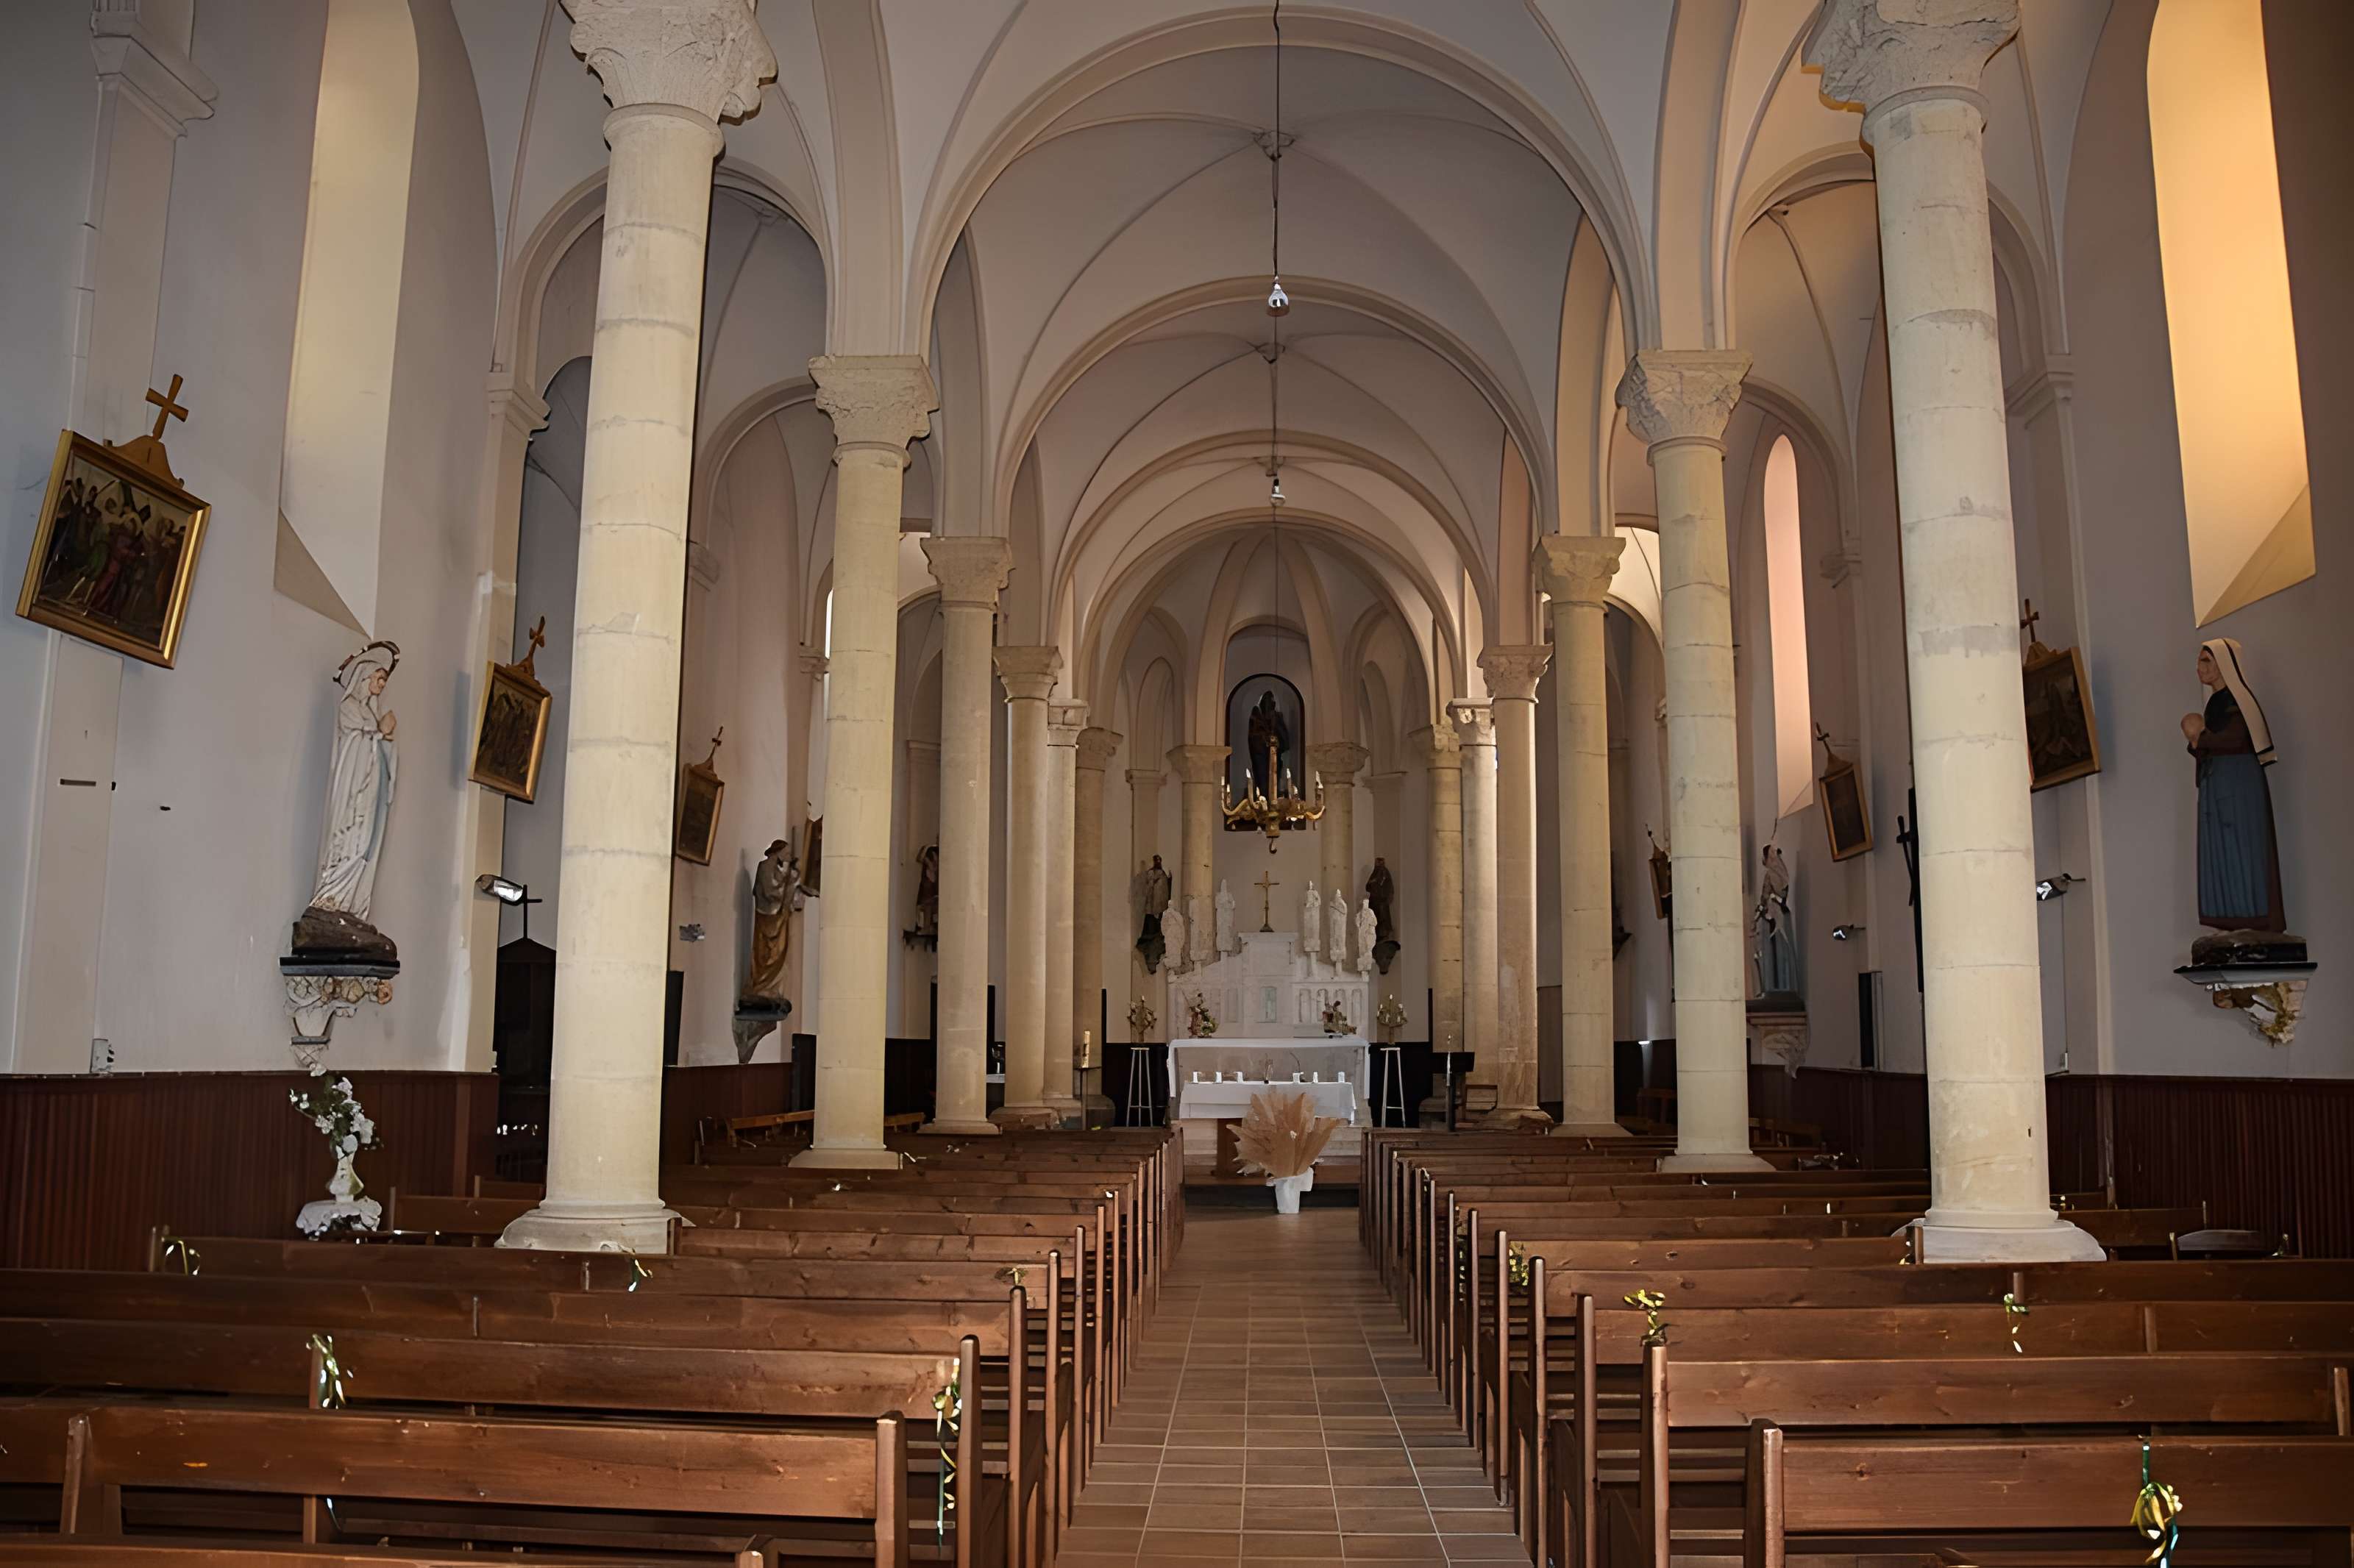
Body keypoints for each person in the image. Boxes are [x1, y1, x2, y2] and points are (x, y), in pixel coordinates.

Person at [2183, 638, 2286, 933]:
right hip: (2218, 782)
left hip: (2238, 783)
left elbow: (2237, 738)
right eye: (2199, 661)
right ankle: (2232, 916)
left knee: (2241, 845)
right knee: (2223, 849)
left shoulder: (2236, 701)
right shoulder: (2216, 702)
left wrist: (2198, 739)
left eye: (2206, 661)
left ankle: (2250, 914)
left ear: (2225, 665)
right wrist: (2197, 743)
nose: (2199, 668)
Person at [306, 641, 400, 930]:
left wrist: (385, 740)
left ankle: (351, 906)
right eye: (379, 678)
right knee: (350, 841)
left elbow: (379, 749)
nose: (382, 685)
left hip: (370, 792)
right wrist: (378, 734)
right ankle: (331, 900)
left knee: (365, 845)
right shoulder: (349, 708)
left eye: (384, 680)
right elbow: (354, 747)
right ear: (365, 677)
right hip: (352, 794)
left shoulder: (370, 715)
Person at [743, 838, 803, 1004]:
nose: (789, 857)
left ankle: (769, 987)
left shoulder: (777, 868)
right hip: (768, 915)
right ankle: (761, 986)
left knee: (779, 951)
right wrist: (788, 885)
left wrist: (791, 881)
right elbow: (769, 891)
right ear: (778, 852)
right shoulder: (766, 866)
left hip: (778, 914)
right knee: (767, 952)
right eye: (787, 853)